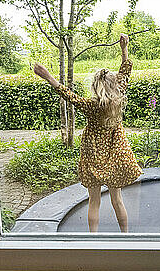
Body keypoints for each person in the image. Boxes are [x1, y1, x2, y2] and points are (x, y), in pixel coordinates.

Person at [33, 34, 142, 232]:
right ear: (114, 85)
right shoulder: (119, 97)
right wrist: (124, 48)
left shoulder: (90, 105)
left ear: (95, 87)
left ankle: (94, 239)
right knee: (117, 200)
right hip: (115, 156)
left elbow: (67, 94)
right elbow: (126, 70)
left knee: (93, 201)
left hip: (93, 156)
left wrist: (47, 76)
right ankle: (126, 236)